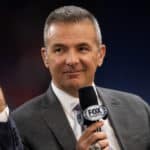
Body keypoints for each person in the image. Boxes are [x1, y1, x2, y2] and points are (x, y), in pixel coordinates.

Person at [0, 5, 150, 150]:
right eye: (59, 50)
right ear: (45, 57)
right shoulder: (21, 125)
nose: (71, 60)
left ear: (100, 54)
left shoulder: (137, 109)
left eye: (82, 49)